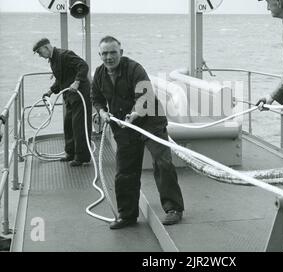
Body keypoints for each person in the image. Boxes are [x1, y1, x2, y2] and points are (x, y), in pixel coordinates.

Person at [91, 35, 184, 229]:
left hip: (150, 121)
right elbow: (96, 98)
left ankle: (173, 209)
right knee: (125, 171)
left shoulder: (134, 69)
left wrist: (134, 115)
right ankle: (127, 215)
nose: (109, 57)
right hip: (124, 126)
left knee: (163, 163)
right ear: (100, 54)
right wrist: (101, 112)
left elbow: (146, 97)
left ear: (121, 53)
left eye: (113, 52)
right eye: (105, 53)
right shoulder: (99, 74)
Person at [33, 38, 92, 166]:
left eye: (39, 51)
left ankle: (82, 157)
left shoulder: (65, 55)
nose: (39, 55)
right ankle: (70, 153)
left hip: (80, 94)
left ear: (46, 47)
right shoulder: (53, 60)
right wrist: (50, 91)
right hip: (69, 96)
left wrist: (77, 82)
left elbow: (83, 66)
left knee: (79, 126)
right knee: (68, 125)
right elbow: (61, 79)